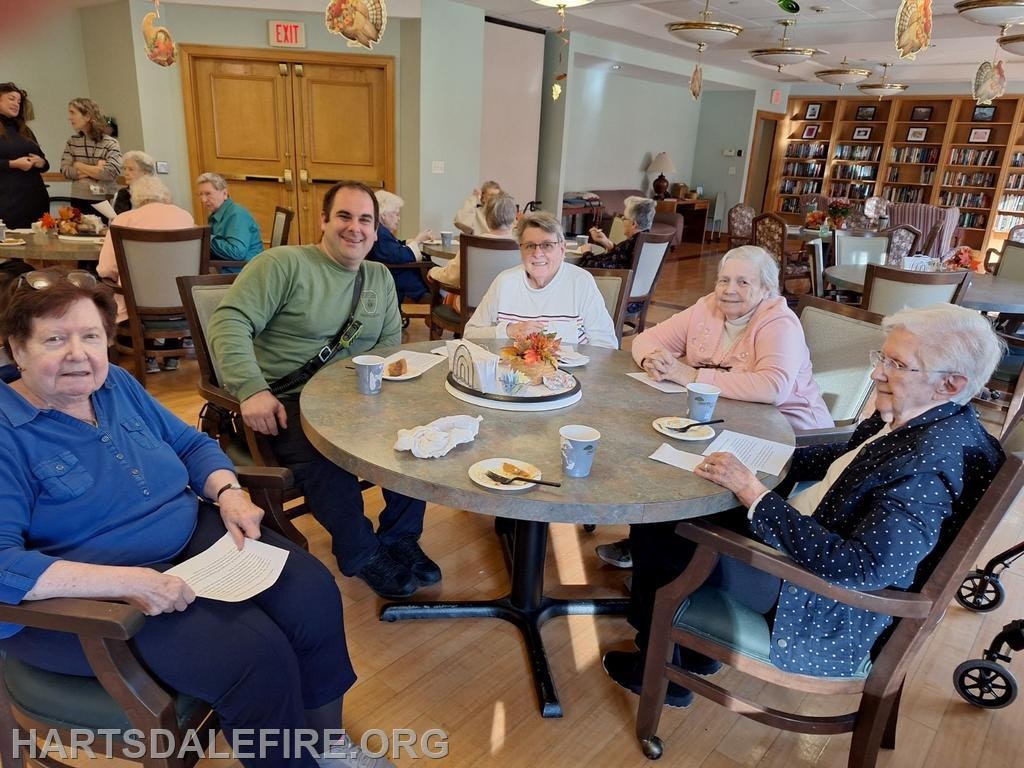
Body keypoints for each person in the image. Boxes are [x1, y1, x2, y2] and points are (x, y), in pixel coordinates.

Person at [0, 269, 394, 768]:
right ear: (17, 348)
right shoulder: (7, 430)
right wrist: (130, 583)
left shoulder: (115, 384)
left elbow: (188, 444)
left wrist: (229, 493)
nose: (78, 354)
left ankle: (325, 745)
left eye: (91, 336)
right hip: (94, 601)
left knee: (312, 593)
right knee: (254, 657)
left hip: (192, 536)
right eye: (55, 339)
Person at [603, 303, 1005, 707]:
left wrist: (753, 492)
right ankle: (692, 654)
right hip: (812, 542)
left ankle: (659, 664)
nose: (877, 373)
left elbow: (862, 567)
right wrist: (758, 454)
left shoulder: (928, 467)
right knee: (691, 500)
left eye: (897, 364)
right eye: (882, 357)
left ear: (950, 384)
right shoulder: (926, 420)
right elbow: (847, 459)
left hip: (816, 605)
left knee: (666, 522)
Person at [207, 181, 437, 601]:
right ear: (324, 221)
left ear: (376, 227)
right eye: (344, 217)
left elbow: (388, 350)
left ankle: (401, 535)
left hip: (354, 396)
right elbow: (228, 323)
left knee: (415, 436)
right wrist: (252, 389)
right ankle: (361, 553)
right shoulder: (282, 264)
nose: (355, 228)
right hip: (284, 400)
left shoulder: (380, 277)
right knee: (325, 455)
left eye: (365, 219)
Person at [596, 245, 833, 570]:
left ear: (767, 288)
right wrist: (655, 359)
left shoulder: (778, 323)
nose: (729, 290)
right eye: (724, 280)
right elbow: (645, 339)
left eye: (743, 282)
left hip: (786, 437)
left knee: (686, 464)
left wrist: (690, 375)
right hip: (721, 422)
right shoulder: (706, 308)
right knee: (652, 445)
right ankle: (650, 547)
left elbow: (772, 387)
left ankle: (673, 559)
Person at [463, 211, 618, 349]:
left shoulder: (580, 282)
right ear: (521, 250)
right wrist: (508, 330)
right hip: (511, 376)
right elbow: (470, 334)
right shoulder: (505, 282)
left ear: (562, 249)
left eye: (547, 245)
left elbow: (606, 345)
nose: (538, 253)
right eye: (530, 246)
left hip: (570, 377)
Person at [97, 176, 194, 373]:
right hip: (181, 298)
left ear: (135, 197)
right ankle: (170, 354)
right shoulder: (185, 217)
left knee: (108, 287)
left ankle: (146, 355)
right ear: (165, 194)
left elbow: (106, 269)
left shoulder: (124, 220)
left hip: (138, 302)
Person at [429, 192, 516, 289]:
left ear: (486, 217)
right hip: (510, 303)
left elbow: (452, 276)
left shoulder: (471, 243)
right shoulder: (524, 245)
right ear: (513, 218)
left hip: (476, 303)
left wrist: (433, 271)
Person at [367, 190, 432, 303]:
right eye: (396, 214)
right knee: (436, 274)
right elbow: (399, 256)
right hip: (402, 282)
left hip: (396, 276)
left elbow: (392, 248)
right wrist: (417, 241)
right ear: (384, 215)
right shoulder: (381, 234)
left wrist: (406, 242)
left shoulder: (380, 230)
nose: (399, 218)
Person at [59, 97, 122, 214]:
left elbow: (110, 173)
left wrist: (78, 165)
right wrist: (96, 170)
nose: (69, 117)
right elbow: (65, 170)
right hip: (78, 199)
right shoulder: (72, 141)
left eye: (73, 112)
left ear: (87, 116)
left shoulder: (111, 143)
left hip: (105, 200)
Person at [0, 82, 49, 229]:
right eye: (11, 99)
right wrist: (13, 164)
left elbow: (44, 162)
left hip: (35, 199)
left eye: (19, 101)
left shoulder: (24, 130)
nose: (16, 104)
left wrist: (41, 162)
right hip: (7, 201)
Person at [196, 172, 263, 270]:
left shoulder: (237, 215)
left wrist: (205, 238)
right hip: (227, 266)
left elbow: (237, 252)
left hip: (244, 271)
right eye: (201, 194)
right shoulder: (216, 214)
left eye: (208, 194)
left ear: (224, 193)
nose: (203, 200)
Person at [578, 196, 656, 271]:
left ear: (634, 224)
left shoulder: (629, 245)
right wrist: (608, 243)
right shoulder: (649, 243)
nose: (622, 220)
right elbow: (621, 258)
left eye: (624, 218)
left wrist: (586, 252)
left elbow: (592, 266)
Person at [112, 149, 157, 215]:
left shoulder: (156, 194)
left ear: (145, 172)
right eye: (124, 169)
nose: (126, 173)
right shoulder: (121, 193)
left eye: (131, 169)